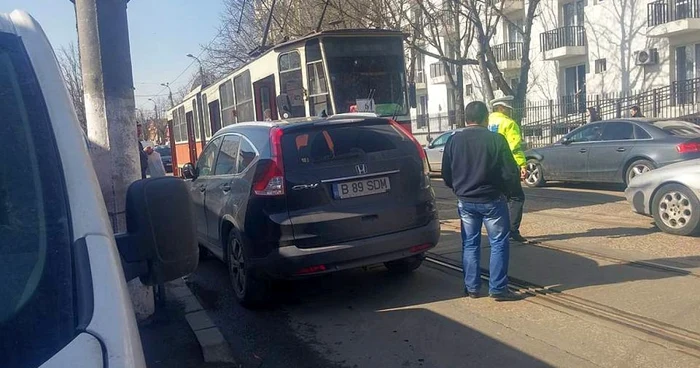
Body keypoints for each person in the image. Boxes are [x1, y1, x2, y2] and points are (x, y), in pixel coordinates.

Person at [442, 101, 522, 301]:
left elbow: (446, 173)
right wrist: (508, 192)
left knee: (470, 243)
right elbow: (510, 172)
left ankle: (472, 288)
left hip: (466, 201)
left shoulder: (453, 141)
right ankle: (498, 289)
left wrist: (458, 189)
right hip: (492, 200)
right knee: (498, 243)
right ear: (486, 118)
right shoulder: (496, 140)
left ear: (466, 119)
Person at [488, 96, 528, 243]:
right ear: (501, 108)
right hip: (508, 165)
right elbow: (514, 147)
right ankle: (512, 230)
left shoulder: (487, 122)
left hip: (490, 166)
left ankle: (497, 230)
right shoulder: (509, 124)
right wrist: (522, 165)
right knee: (517, 197)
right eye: (507, 109)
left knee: (499, 198)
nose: (510, 112)